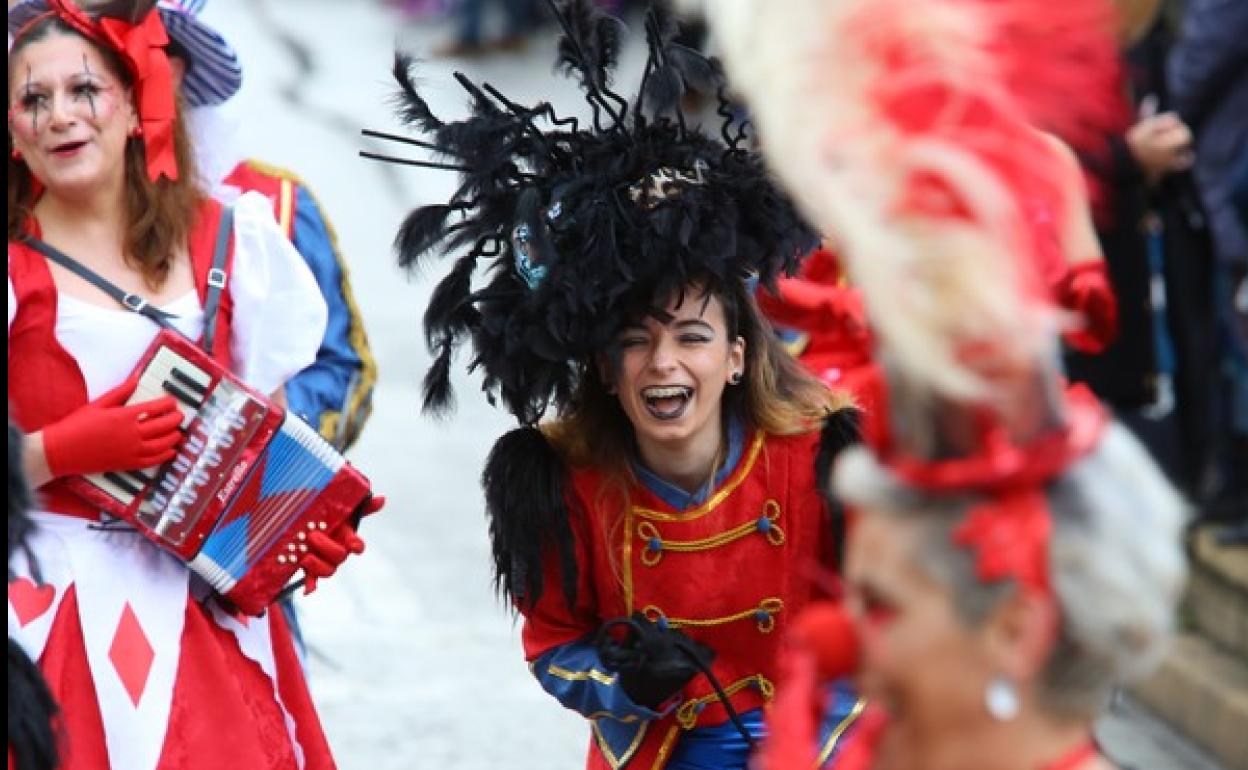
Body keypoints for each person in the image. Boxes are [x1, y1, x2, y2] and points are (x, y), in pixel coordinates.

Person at [367, 2, 863, 766]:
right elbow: (554, 644)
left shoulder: (821, 456)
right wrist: (624, 678)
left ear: (736, 357)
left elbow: (889, 621)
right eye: (635, 342)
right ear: (604, 368)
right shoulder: (562, 482)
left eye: (692, 337)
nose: (663, 363)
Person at [6, 2, 368, 767]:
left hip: (199, 622)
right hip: (41, 617)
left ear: (138, 103)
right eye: (34, 98)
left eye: (85, 89)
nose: (60, 116)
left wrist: (294, 527)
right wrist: (57, 452)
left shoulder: (235, 241)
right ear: (11, 127)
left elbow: (264, 438)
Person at [158, 0, 377, 455]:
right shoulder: (26, 208)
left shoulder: (274, 204)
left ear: (174, 69)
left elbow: (343, 369)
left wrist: (249, 442)